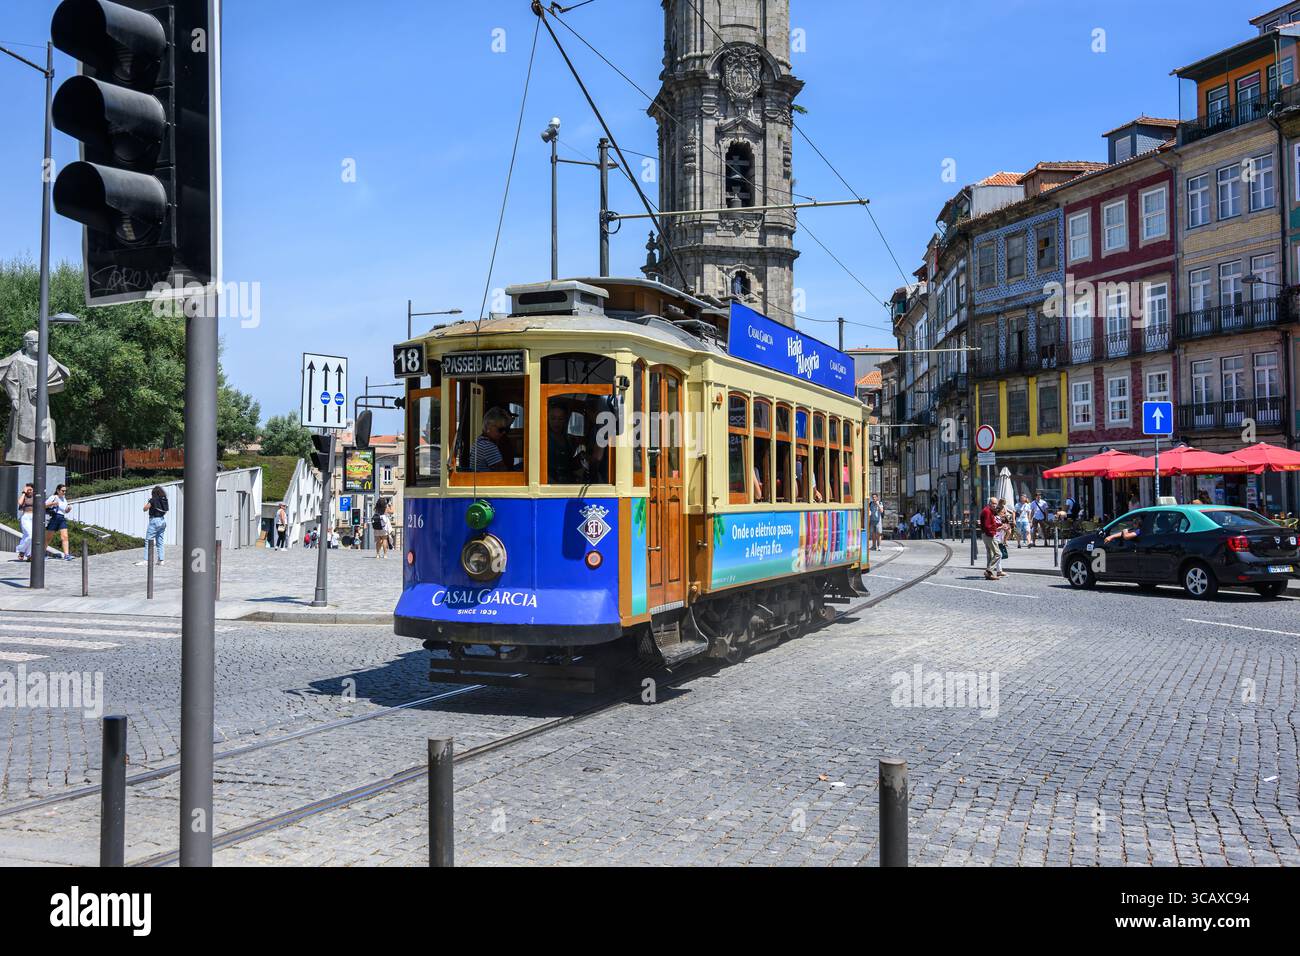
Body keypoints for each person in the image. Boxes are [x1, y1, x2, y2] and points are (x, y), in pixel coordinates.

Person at [469, 407, 512, 472]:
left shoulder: (478, 441)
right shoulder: (488, 446)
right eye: (501, 429)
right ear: (488, 426)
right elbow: (504, 473)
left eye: (505, 429)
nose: (504, 432)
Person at [137, 486, 168, 566]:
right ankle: (161, 560)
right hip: (162, 521)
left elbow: (145, 508)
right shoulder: (164, 499)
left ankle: (146, 560)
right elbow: (165, 511)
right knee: (160, 541)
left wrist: (147, 504)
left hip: (154, 521)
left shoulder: (153, 499)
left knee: (148, 540)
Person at [44, 484, 73, 560]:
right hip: (54, 517)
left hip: (62, 518)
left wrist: (68, 509)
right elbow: (44, 505)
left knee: (65, 536)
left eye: (65, 491)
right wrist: (53, 503)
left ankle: (66, 554)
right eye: (63, 491)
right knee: (48, 538)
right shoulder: (53, 497)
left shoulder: (64, 498)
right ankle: (42, 553)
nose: (64, 492)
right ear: (58, 490)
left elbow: (65, 510)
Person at [980, 496, 1005, 580]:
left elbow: (992, 523)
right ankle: (988, 570)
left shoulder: (989, 511)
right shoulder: (987, 511)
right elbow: (988, 526)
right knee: (998, 554)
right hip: (989, 535)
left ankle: (989, 574)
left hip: (986, 534)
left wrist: (1000, 525)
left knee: (990, 554)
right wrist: (994, 532)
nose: (995, 505)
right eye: (993, 503)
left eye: (996, 504)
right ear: (989, 503)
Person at [15, 482, 34, 562]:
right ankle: (22, 550)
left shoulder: (36, 496)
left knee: (30, 536)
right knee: (30, 536)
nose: (29, 491)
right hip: (26, 517)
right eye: (27, 489)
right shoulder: (24, 497)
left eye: (30, 489)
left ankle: (28, 554)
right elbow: (19, 503)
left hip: (34, 518)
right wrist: (23, 493)